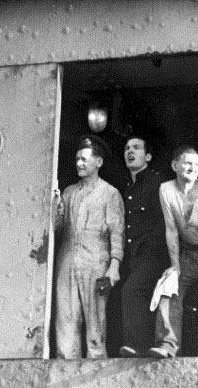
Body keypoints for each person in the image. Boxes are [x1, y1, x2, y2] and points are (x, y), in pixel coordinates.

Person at [149, 145, 198, 358]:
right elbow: (171, 229)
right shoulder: (166, 190)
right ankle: (168, 345)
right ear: (175, 165)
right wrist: (175, 266)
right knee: (168, 288)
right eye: (187, 163)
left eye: (196, 164)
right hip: (189, 255)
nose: (193, 168)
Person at [53, 135, 125, 359]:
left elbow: (117, 233)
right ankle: (65, 368)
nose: (79, 164)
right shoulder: (68, 192)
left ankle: (95, 368)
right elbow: (57, 230)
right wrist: (55, 207)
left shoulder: (110, 193)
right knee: (65, 322)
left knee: (95, 327)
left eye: (84, 159)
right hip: (67, 264)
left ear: (98, 163)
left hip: (95, 264)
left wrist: (114, 267)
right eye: (77, 159)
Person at [118, 136, 170, 357]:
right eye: (127, 148)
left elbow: (164, 221)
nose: (130, 152)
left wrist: (150, 244)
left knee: (132, 290)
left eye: (136, 148)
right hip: (134, 255)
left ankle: (136, 345)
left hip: (152, 254)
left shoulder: (157, 183)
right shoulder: (128, 187)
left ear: (148, 156)